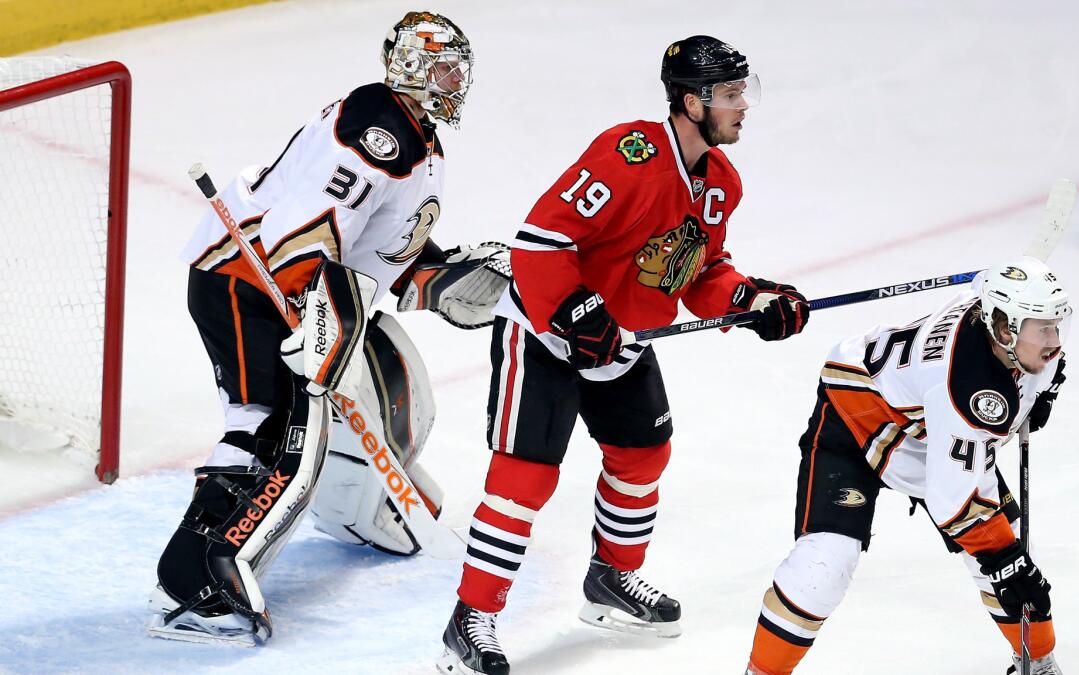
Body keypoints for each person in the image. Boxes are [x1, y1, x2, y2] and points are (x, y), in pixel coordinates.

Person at [436, 36, 811, 675]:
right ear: (691, 103)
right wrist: (576, 310)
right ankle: (471, 619)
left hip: (623, 345)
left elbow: (698, 271)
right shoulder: (627, 154)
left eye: (741, 92)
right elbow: (539, 242)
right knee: (525, 478)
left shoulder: (721, 182)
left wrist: (752, 302)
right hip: (546, 335)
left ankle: (611, 579)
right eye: (728, 95)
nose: (742, 105)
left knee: (643, 456)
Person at [148, 11, 506, 646]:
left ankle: (208, 569)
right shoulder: (378, 130)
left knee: (283, 425)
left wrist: (445, 278)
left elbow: (384, 255)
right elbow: (303, 233)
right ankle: (197, 585)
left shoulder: (421, 144)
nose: (458, 81)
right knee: (269, 427)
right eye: (446, 68)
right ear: (415, 70)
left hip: (281, 285)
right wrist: (318, 312)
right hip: (247, 280)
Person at [744, 256, 1071, 675]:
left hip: (924, 422)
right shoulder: (967, 390)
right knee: (823, 567)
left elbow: (1039, 341)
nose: (1055, 339)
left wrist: (1043, 387)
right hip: (856, 414)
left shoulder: (1000, 319)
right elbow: (956, 506)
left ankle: (1038, 663)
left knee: (1006, 558)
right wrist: (1007, 562)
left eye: (1055, 324)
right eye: (1042, 327)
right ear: (1005, 329)